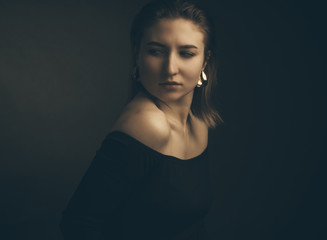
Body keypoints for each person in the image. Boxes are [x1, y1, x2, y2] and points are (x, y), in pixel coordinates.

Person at [60, 0, 222, 239]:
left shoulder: (198, 121)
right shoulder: (147, 124)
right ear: (137, 55)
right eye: (156, 51)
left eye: (186, 53)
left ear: (205, 62)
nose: (170, 68)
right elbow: (78, 224)